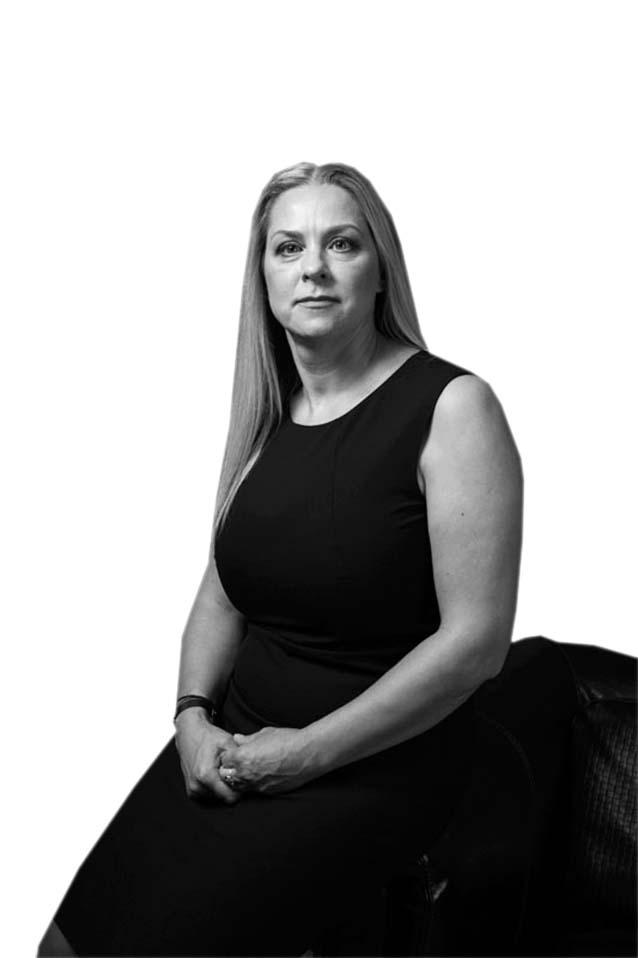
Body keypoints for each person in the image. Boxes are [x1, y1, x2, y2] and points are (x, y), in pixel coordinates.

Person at [37, 161, 523, 957]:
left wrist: (305, 754)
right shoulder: (269, 413)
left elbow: (476, 643)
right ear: (262, 278)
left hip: (375, 764)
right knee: (65, 946)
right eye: (288, 248)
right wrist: (191, 717)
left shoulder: (453, 407)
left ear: (380, 271)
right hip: (235, 744)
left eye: (342, 244)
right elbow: (222, 594)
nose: (314, 268)